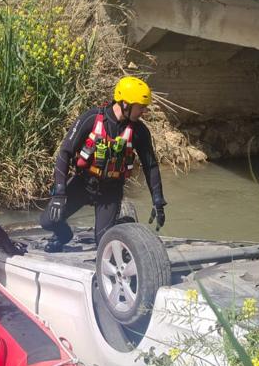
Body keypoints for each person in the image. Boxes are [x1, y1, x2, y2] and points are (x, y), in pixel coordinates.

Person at [40, 76, 167, 252]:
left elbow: (150, 165)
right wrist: (59, 193)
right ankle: (63, 236)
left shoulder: (139, 131)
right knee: (47, 221)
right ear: (125, 103)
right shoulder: (91, 118)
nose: (144, 111)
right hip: (83, 184)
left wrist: (158, 201)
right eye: (141, 107)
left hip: (110, 191)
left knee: (104, 244)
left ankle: (124, 223)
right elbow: (65, 152)